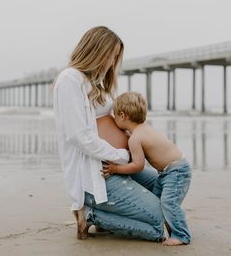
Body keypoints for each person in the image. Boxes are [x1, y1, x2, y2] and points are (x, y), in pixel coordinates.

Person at [53, 26, 164, 241]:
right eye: (110, 57)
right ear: (95, 51)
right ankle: (91, 215)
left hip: (117, 168)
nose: (111, 64)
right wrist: (121, 155)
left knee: (167, 188)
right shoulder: (70, 79)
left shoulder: (96, 83)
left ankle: (111, 214)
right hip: (97, 175)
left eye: (115, 58)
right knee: (160, 223)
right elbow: (79, 136)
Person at [102, 91, 192, 246]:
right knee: (156, 200)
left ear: (122, 116)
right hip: (168, 171)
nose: (114, 118)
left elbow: (138, 166)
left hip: (176, 172)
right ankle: (171, 224)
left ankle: (182, 235)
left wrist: (116, 169)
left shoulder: (136, 138)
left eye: (114, 115)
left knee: (168, 202)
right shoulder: (143, 128)